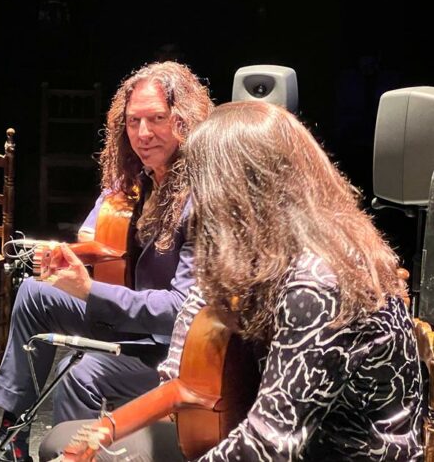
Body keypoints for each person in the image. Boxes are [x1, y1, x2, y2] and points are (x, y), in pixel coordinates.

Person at [40, 101, 423, 461]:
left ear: (241, 191)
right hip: (270, 436)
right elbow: (184, 373)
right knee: (61, 440)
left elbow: (272, 443)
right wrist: (105, 431)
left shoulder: (319, 282)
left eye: (202, 183)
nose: (197, 198)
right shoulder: (265, 256)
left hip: (334, 453)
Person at [0, 62, 213, 462]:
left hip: (171, 349)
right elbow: (94, 232)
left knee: (81, 376)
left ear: (184, 119)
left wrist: (90, 289)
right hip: (132, 319)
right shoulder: (138, 180)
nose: (143, 133)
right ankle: (12, 436)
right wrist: (66, 255)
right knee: (34, 292)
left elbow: (181, 311)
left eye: (157, 119)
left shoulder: (201, 196)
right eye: (134, 121)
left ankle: (78, 453)